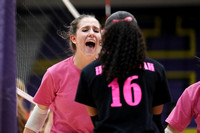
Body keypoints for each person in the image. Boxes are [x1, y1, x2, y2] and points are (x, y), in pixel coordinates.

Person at [75, 11, 172, 133]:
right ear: (137, 34)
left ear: (105, 36)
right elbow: (156, 117)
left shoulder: (89, 72)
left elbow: (95, 118)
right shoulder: (156, 69)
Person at [23, 14, 102, 133]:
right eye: (85, 30)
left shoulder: (110, 72)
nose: (91, 33)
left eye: (96, 30)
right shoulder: (55, 73)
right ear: (73, 38)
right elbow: (39, 114)